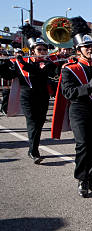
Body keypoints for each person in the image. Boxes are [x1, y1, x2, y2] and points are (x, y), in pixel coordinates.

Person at [56, 17, 92, 197]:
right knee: (83, 145)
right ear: (79, 50)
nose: (91, 50)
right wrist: (89, 86)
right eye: (87, 48)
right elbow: (68, 92)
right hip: (80, 110)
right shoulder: (69, 69)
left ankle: (91, 177)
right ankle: (82, 178)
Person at [4, 25, 58, 162]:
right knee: (33, 122)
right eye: (39, 49)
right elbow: (9, 75)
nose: (42, 51)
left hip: (43, 96)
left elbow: (40, 72)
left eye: (44, 49)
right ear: (32, 50)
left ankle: (33, 148)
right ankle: (34, 151)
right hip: (27, 97)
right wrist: (4, 63)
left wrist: (21, 61)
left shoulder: (48, 63)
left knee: (39, 123)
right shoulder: (20, 63)